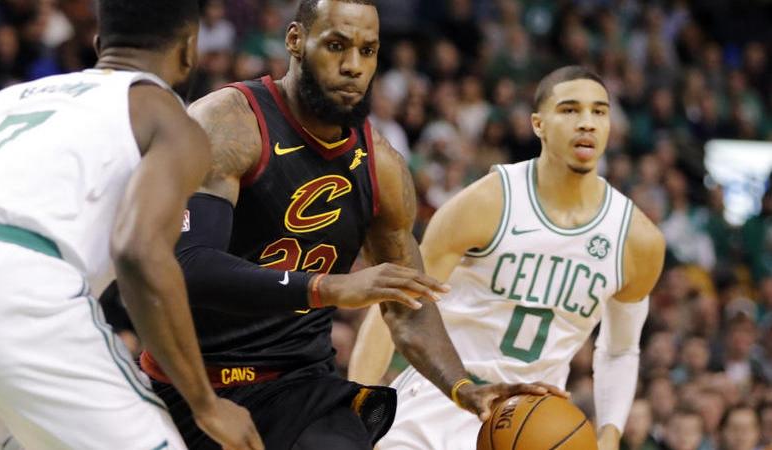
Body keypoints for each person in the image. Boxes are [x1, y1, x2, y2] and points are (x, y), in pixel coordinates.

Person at [130, 1, 563, 449]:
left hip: (299, 387)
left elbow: (407, 307)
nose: (354, 66)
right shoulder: (229, 123)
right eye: (336, 45)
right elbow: (189, 265)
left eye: (367, 50)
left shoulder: (382, 166)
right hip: (188, 384)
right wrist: (330, 287)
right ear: (296, 40)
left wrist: (463, 388)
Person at [0, 1, 264, 449]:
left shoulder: (9, 103)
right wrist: (205, 404)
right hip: (17, 297)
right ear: (189, 49)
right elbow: (139, 253)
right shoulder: (168, 118)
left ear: (99, 45)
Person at [350, 66, 666, 450]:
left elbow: (620, 350)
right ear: (538, 124)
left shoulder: (638, 240)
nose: (587, 122)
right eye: (569, 110)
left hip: (534, 422)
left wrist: (610, 434)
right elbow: (397, 306)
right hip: (440, 401)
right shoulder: (489, 202)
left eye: (599, 111)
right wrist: (354, 407)